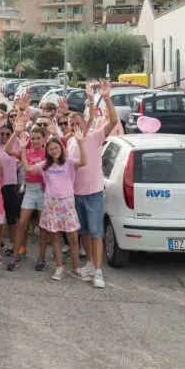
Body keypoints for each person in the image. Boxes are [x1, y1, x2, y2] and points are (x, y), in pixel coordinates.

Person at [19, 121, 87, 281]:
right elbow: (28, 168)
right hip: (51, 204)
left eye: (56, 148)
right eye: (51, 149)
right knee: (55, 237)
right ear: (47, 152)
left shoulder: (69, 162)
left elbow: (83, 162)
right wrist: (23, 148)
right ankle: (59, 266)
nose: (54, 151)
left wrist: (81, 143)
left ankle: (76, 268)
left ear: (61, 149)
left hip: (67, 203)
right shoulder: (45, 165)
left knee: (72, 237)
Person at [67, 79, 117, 288]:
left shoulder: (95, 136)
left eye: (79, 123)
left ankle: (98, 271)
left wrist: (105, 98)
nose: (76, 126)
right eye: (72, 124)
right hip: (76, 195)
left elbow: (113, 121)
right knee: (85, 232)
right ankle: (89, 263)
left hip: (94, 193)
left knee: (96, 233)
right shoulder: (70, 142)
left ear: (84, 123)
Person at [5, 124, 47, 271]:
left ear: (44, 139)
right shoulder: (26, 151)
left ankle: (42, 259)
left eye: (38, 138)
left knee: (43, 228)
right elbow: (8, 150)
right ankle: (15, 257)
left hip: (43, 191)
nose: (35, 141)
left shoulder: (48, 153)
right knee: (22, 223)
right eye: (33, 138)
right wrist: (16, 132)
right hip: (29, 190)